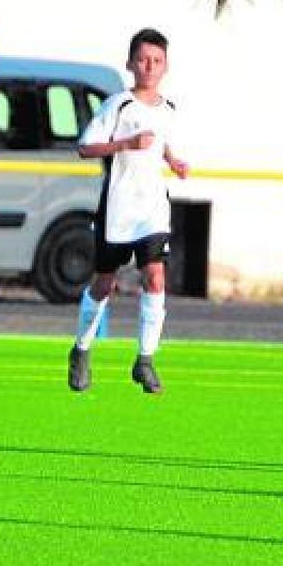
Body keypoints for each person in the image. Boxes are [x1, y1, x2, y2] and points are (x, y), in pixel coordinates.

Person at [68, 28, 189, 395]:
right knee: (106, 284)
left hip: (152, 207)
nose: (149, 67)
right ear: (131, 64)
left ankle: (146, 359)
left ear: (165, 66)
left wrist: (173, 160)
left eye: (156, 61)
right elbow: (86, 147)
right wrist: (126, 143)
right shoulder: (118, 105)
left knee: (155, 276)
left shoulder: (169, 108)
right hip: (119, 208)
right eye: (143, 60)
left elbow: (162, 143)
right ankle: (81, 349)